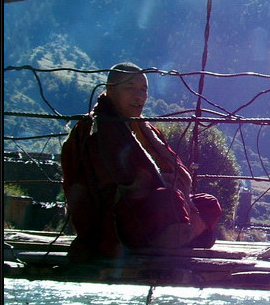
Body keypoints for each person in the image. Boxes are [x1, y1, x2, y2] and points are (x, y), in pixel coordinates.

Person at [61, 62, 222, 258]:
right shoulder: (94, 130)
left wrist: (170, 188)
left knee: (208, 203)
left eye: (143, 90)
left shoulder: (145, 128)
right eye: (130, 88)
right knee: (169, 200)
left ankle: (178, 234)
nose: (138, 96)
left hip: (157, 204)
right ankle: (185, 234)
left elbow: (171, 170)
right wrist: (154, 189)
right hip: (123, 214)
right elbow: (100, 190)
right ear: (110, 90)